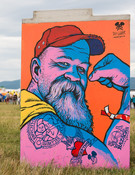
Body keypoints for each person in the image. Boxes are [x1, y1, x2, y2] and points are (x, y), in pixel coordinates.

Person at [20, 25, 130, 168]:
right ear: (36, 70)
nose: (74, 76)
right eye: (63, 63)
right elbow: (114, 166)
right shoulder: (36, 119)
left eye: (81, 69)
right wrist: (128, 91)